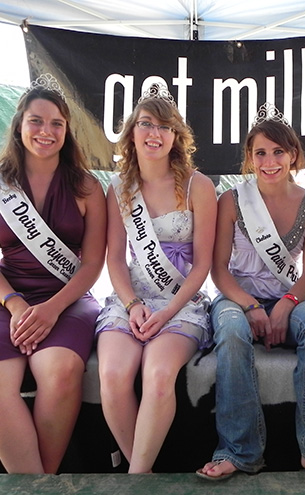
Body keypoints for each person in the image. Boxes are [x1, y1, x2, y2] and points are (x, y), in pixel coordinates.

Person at [197, 104, 305, 488]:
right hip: (237, 297)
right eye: (261, 153)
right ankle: (238, 450)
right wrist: (251, 306)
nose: (270, 161)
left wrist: (287, 305)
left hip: (289, 298)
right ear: (250, 158)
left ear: (293, 155)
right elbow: (218, 269)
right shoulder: (231, 200)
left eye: (278, 152)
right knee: (233, 333)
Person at [0, 74, 106, 473]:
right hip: (4, 298)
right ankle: (35, 484)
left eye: (57, 123)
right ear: (19, 126)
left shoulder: (88, 188)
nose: (47, 131)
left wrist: (52, 308)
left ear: (67, 131)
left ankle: (42, 481)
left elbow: (92, 264)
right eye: (37, 121)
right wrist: (16, 304)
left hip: (69, 298)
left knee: (59, 372)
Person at [95, 83, 217, 473]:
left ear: (177, 136)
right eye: (146, 124)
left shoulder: (200, 186)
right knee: (112, 375)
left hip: (181, 302)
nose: (155, 133)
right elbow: (114, 258)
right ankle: (144, 475)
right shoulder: (117, 189)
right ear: (131, 132)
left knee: (159, 372)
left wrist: (167, 313)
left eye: (165, 127)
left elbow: (202, 266)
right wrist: (132, 305)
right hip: (132, 299)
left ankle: (136, 479)